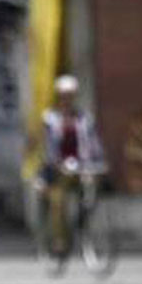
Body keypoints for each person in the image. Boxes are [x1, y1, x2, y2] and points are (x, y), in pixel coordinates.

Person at [36, 74, 106, 254]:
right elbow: (47, 148)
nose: (67, 100)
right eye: (64, 95)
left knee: (92, 191)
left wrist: (98, 163)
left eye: (70, 96)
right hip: (58, 170)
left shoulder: (83, 119)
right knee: (58, 200)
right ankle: (59, 239)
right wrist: (56, 164)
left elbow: (93, 143)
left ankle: (83, 223)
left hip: (81, 168)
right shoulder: (50, 119)